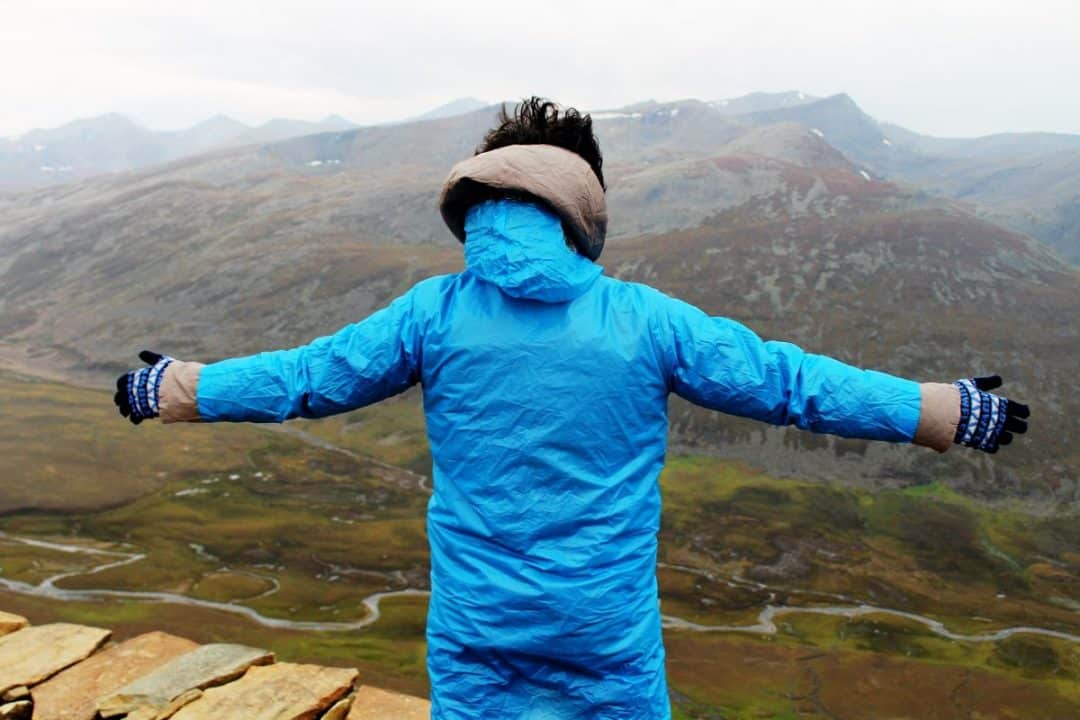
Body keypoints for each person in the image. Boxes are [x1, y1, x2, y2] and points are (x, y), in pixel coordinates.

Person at [114, 97, 1029, 720]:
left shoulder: (432, 314)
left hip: (476, 626)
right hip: (604, 627)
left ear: (475, 205)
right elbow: (791, 384)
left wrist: (177, 388)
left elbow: (305, 379)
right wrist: (940, 410)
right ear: (581, 206)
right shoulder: (644, 321)